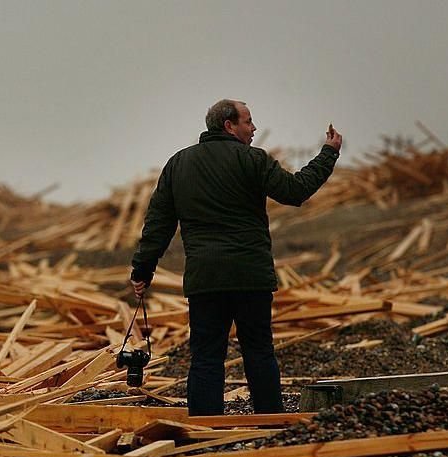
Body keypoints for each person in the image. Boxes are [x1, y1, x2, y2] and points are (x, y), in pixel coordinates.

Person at [130, 99, 342, 415]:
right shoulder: (252, 160)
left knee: (205, 357)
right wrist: (329, 153)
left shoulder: (178, 164)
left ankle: (205, 426)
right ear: (229, 125)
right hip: (250, 276)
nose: (254, 128)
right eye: (248, 121)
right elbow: (295, 191)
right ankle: (269, 421)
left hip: (206, 279)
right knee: (258, 351)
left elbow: (159, 224)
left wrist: (142, 270)